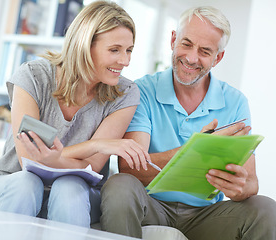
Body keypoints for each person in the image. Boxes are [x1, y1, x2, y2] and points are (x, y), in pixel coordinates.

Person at [100, 6, 276, 239]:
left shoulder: (235, 102)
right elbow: (130, 167)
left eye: (204, 51)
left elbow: (251, 182)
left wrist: (241, 187)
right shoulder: (141, 91)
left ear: (218, 58)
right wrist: (195, 148)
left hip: (206, 214)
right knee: (119, 185)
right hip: (152, 205)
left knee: (266, 210)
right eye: (186, 44)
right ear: (173, 40)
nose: (191, 58)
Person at [0, 0, 149, 228]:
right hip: (14, 182)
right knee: (27, 183)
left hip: (79, 191)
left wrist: (55, 159)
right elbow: (29, 159)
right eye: (115, 50)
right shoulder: (33, 76)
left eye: (129, 50)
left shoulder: (125, 93)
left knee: (69, 185)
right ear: (84, 44)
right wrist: (96, 145)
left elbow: (91, 166)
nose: (125, 61)